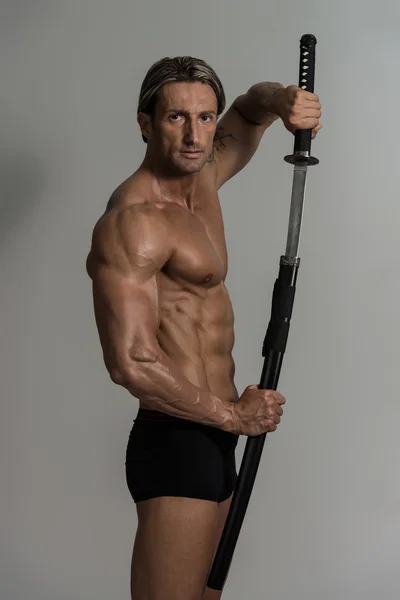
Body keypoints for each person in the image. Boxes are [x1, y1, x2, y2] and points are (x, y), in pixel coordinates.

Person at [85, 56, 322, 600]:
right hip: (177, 439)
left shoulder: (205, 174)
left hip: (220, 439)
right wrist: (232, 415)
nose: (195, 135)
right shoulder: (134, 221)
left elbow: (249, 110)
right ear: (145, 123)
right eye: (176, 119)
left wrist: (284, 99)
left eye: (205, 117)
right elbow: (131, 362)